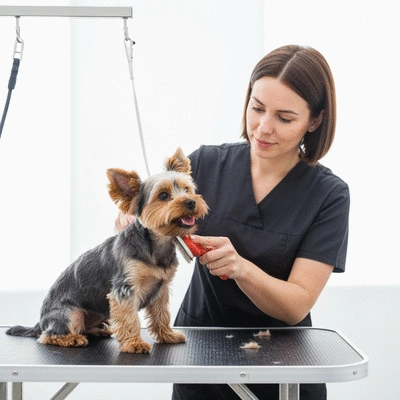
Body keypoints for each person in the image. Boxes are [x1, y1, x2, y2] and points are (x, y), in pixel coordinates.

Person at [118, 44, 349, 400]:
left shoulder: (328, 195)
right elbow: (155, 212)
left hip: (282, 366)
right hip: (201, 358)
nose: (263, 128)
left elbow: (296, 304)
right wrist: (134, 217)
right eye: (256, 108)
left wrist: (240, 268)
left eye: (284, 118)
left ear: (314, 120)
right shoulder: (207, 165)